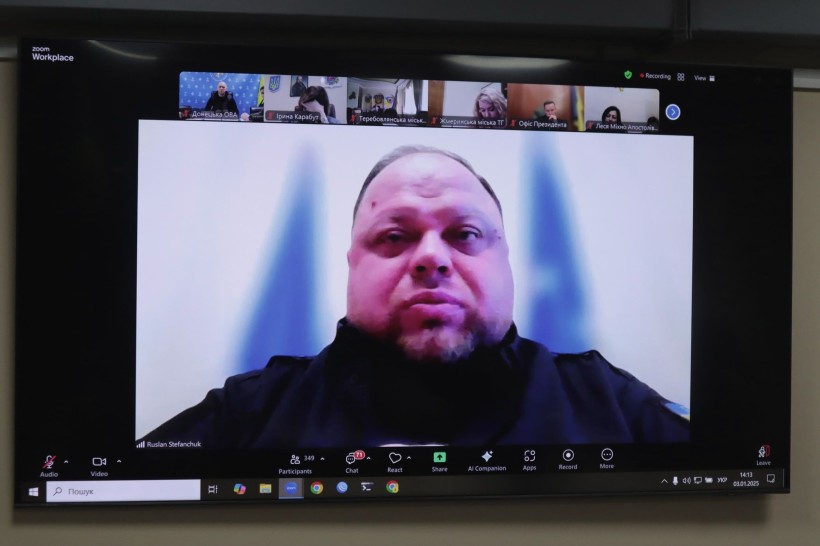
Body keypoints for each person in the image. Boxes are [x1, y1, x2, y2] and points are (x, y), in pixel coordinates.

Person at [142, 145, 689, 448]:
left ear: (506, 264)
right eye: (394, 236)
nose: (432, 258)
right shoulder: (247, 415)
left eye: (465, 234)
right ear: (352, 266)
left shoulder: (610, 403)